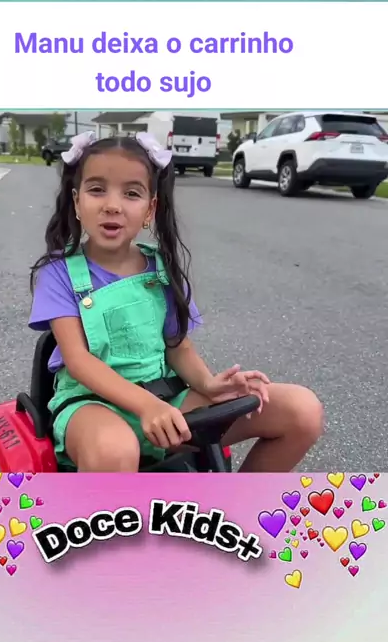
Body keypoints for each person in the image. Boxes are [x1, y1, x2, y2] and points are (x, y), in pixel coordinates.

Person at [29, 131, 323, 472]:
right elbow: (79, 361)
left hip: (167, 401)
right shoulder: (59, 273)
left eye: (131, 193)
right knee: (114, 450)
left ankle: (239, 503)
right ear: (77, 201)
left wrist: (209, 384)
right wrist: (145, 406)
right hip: (92, 407)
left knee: (302, 410)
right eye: (97, 189)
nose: (113, 205)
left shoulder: (162, 270)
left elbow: (178, 347)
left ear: (150, 209)